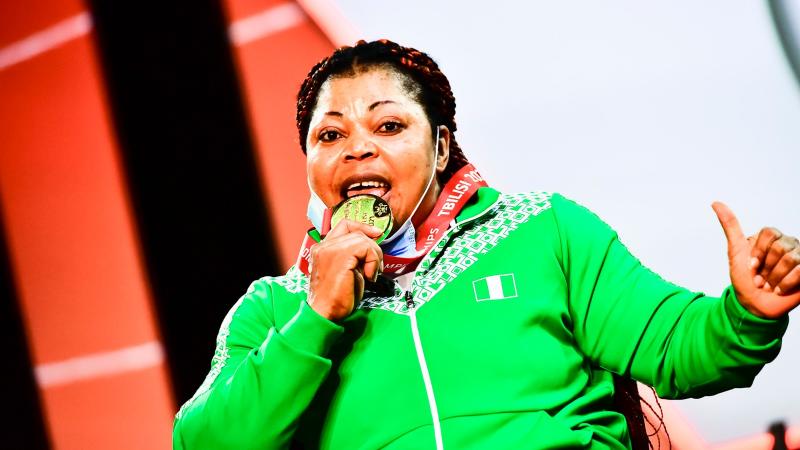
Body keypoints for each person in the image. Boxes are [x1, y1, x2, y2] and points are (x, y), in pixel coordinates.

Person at [172, 39, 798, 450]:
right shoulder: (275, 309)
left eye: (389, 125)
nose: (357, 148)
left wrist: (745, 314)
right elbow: (203, 442)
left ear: (441, 146)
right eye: (329, 136)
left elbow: (678, 345)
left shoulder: (543, 229)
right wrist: (317, 320)